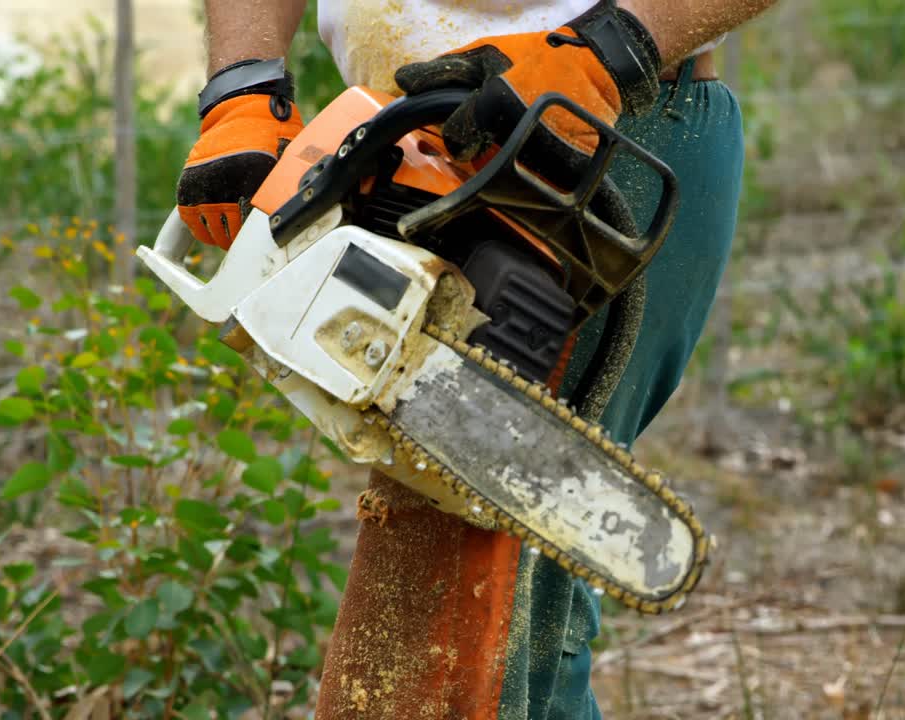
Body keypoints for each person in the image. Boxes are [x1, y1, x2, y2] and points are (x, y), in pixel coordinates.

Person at [176, 0, 777, 717]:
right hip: (416, 141)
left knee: (468, 647)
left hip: (591, 124)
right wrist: (242, 90)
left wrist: (611, 47)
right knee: (472, 639)